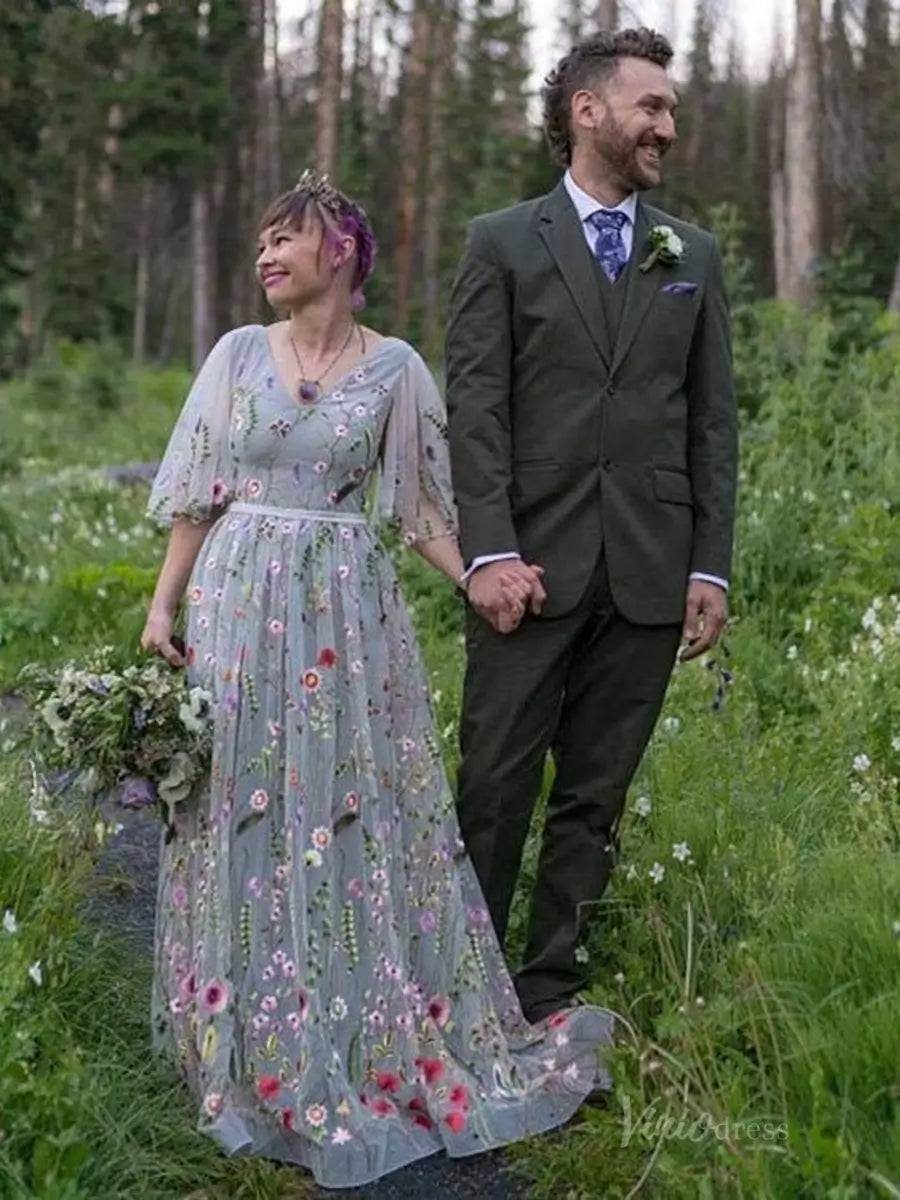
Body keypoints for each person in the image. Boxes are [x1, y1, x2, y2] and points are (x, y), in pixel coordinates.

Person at [140, 170, 612, 1191]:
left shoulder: (396, 370)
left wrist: (478, 580)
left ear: (341, 250)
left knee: (346, 812)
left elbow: (422, 509)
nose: (267, 256)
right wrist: (162, 607)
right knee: (239, 809)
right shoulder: (233, 355)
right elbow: (196, 492)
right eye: (262, 243)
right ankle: (240, 1034)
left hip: (346, 621)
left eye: (286, 240)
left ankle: (354, 1021)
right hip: (238, 602)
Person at [446, 28, 738, 1025]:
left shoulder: (691, 255)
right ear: (586, 110)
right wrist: (486, 551)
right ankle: (462, 989)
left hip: (652, 574)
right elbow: (476, 410)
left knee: (595, 796)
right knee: (492, 785)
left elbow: (711, 426)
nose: (667, 123)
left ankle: (550, 989)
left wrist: (712, 566)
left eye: (669, 107)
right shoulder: (500, 242)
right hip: (526, 567)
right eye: (650, 105)